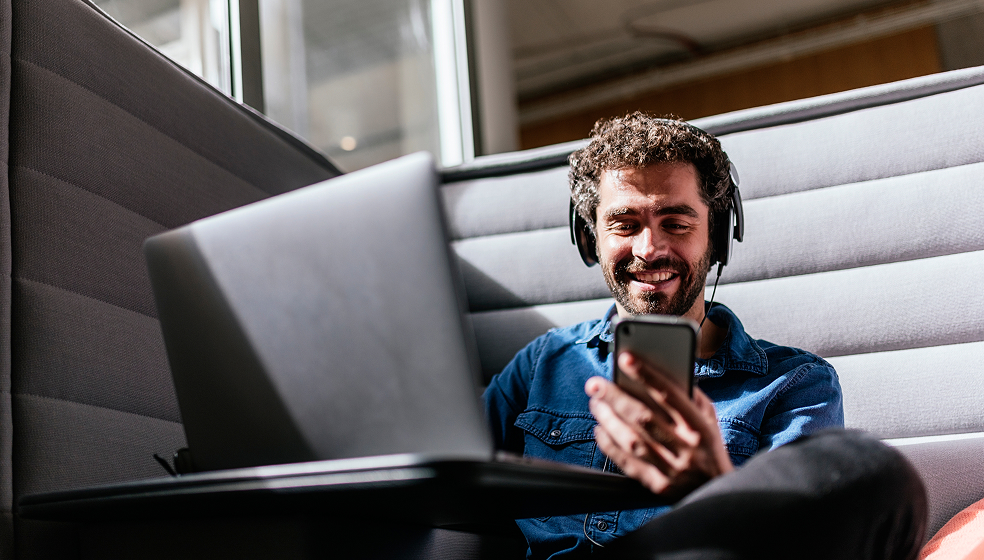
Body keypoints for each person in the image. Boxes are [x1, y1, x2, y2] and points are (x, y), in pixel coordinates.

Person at [482, 113, 926, 559]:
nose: (649, 249)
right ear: (589, 238)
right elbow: (457, 475)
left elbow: (802, 543)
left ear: (716, 238)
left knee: (874, 472)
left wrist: (713, 487)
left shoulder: (796, 384)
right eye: (625, 224)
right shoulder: (544, 361)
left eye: (676, 223)